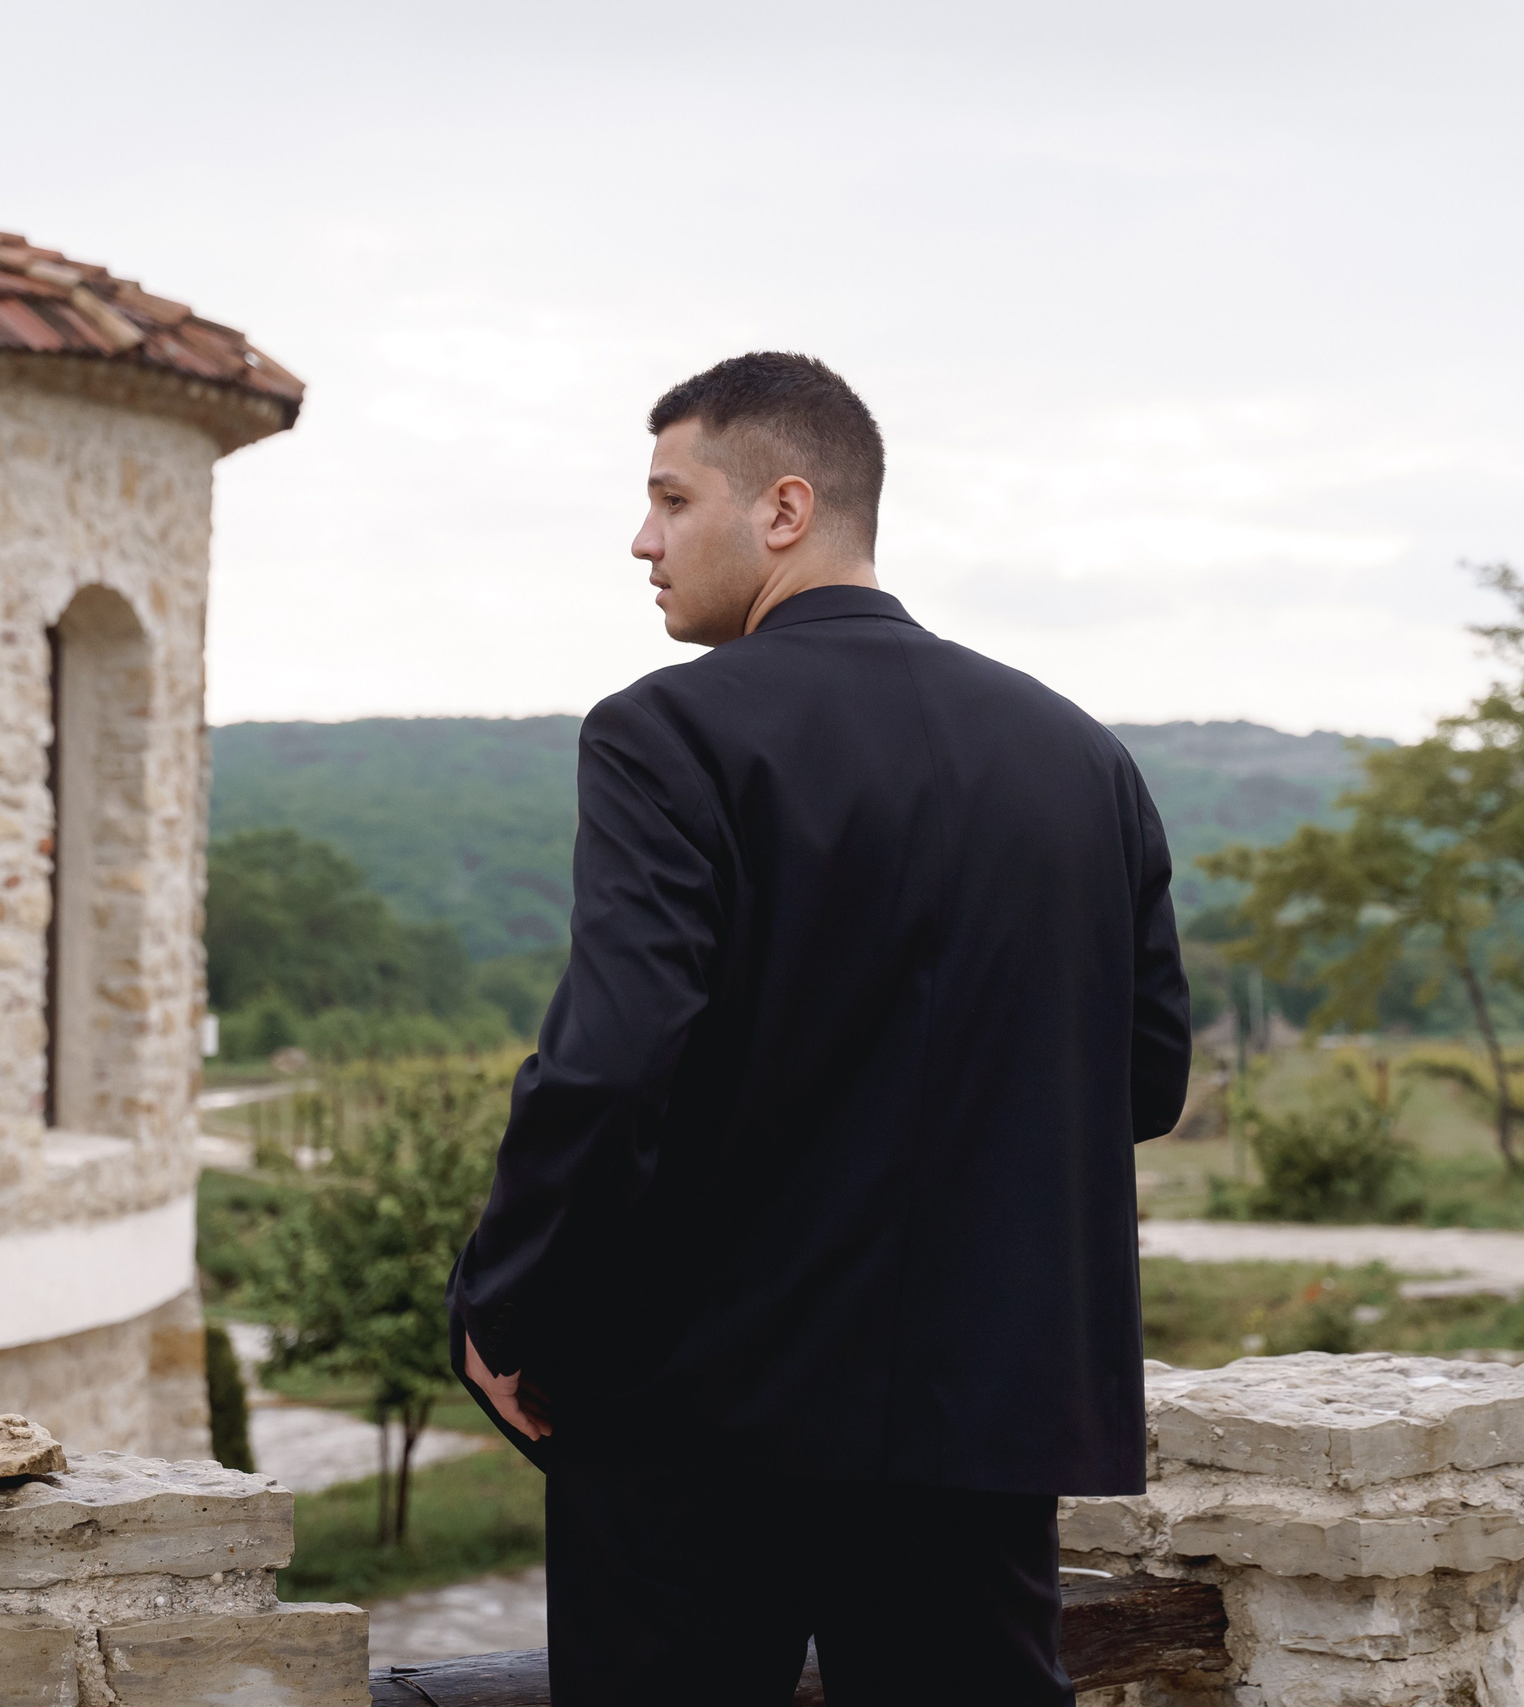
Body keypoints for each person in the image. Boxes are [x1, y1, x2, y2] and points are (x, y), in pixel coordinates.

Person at [448, 352, 1191, 1706]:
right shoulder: (1083, 758)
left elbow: (612, 1061)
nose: (643, 539)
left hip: (693, 1425)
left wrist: (502, 1308)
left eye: (672, 500)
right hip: (982, 1421)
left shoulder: (664, 735)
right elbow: (1140, 1081)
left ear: (783, 510)